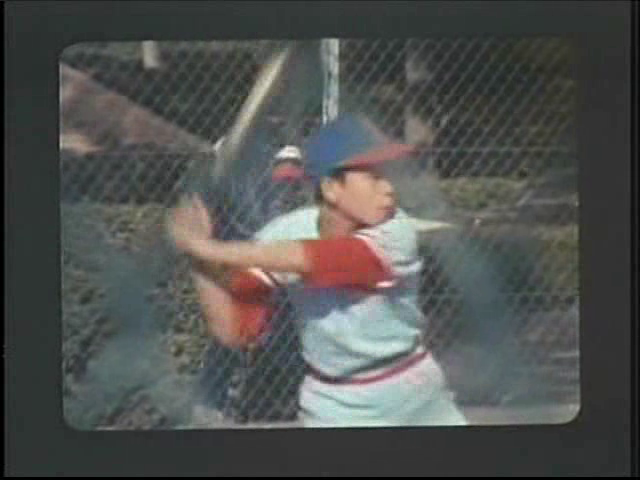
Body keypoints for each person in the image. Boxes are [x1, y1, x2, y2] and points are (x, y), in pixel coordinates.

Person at [168, 113, 467, 427]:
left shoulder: (396, 232)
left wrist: (207, 248)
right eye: (373, 177)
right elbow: (232, 331)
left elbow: (312, 259)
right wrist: (196, 256)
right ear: (331, 189)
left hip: (412, 392)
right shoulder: (284, 235)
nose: (389, 188)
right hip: (333, 403)